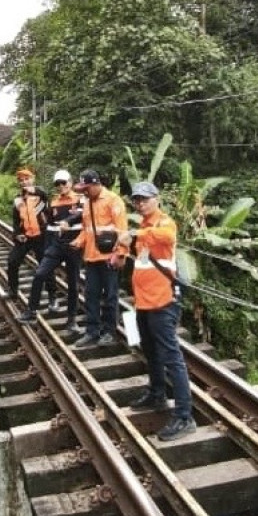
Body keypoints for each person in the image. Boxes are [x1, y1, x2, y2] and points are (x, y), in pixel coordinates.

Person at [119, 181, 196, 441]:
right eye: (137, 200)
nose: (140, 204)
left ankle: (185, 416)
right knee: (150, 351)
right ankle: (157, 393)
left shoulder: (164, 222)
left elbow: (167, 238)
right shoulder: (142, 226)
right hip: (144, 302)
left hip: (163, 301)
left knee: (171, 356)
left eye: (145, 199)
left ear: (156, 199)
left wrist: (136, 235)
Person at [18, 169, 85, 332]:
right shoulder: (54, 202)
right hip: (56, 245)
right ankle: (31, 311)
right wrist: (47, 246)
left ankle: (71, 320)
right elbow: (49, 224)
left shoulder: (80, 199)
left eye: (64, 182)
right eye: (58, 184)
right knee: (40, 274)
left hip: (74, 246)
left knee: (73, 284)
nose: (61, 186)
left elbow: (82, 214)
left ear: (70, 182)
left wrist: (68, 221)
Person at [71, 169, 128, 348]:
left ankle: (110, 331)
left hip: (108, 257)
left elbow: (122, 230)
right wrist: (78, 242)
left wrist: (121, 254)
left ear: (96, 184)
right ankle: (92, 331)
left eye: (87, 188)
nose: (85, 192)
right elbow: (86, 229)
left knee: (110, 296)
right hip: (91, 257)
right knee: (91, 295)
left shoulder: (113, 200)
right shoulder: (87, 203)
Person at [5, 168, 55, 304]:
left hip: (41, 237)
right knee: (12, 261)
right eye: (21, 180)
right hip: (26, 237)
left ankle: (52, 297)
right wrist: (17, 234)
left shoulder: (41, 195)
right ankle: (13, 290)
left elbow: (45, 194)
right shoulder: (17, 199)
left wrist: (33, 190)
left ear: (33, 179)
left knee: (46, 266)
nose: (24, 182)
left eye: (27, 179)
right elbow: (16, 221)